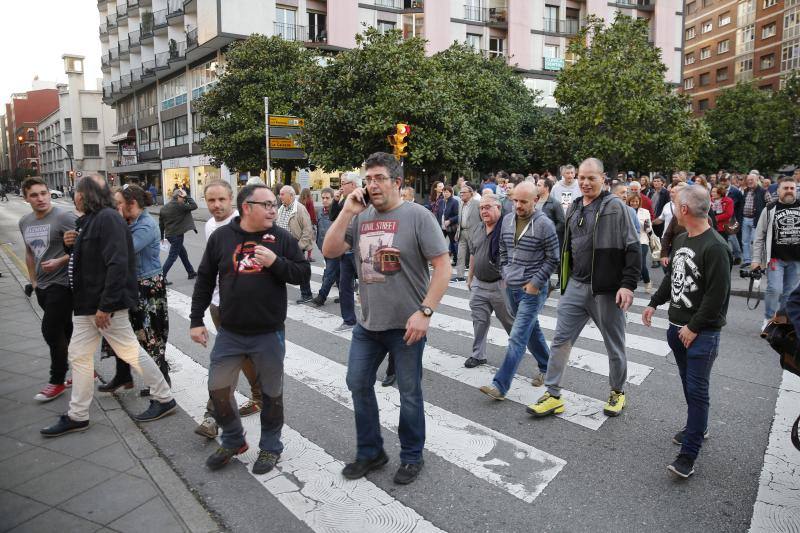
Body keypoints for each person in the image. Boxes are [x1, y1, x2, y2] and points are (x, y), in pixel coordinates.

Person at [322, 152, 450, 485]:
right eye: (368, 179)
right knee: (357, 383)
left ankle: (411, 456)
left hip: (407, 325)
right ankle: (371, 452)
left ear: (397, 182)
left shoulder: (418, 216)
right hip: (368, 324)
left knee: (409, 393)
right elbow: (330, 250)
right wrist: (348, 210)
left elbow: (443, 268)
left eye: (379, 178)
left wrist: (425, 312)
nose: (372, 184)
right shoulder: (360, 217)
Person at [41, 175, 176, 438]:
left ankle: (163, 396)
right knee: (80, 356)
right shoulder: (92, 220)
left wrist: (107, 304)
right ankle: (78, 414)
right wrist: (74, 241)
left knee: (131, 351)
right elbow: (92, 259)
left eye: (78, 192)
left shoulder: (108, 219)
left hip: (101, 306)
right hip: (87, 306)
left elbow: (117, 263)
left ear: (85, 195)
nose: (75, 196)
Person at [190, 183, 310, 473]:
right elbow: (205, 279)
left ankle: (270, 447)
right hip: (230, 331)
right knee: (218, 388)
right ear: (247, 208)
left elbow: (302, 273)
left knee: (271, 394)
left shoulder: (280, 238)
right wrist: (195, 320)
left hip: (268, 332)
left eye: (274, 204)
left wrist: (275, 262)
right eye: (266, 204)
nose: (273, 209)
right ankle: (233, 439)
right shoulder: (221, 237)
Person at [528, 158, 640, 418]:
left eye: (592, 178)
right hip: (576, 286)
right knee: (560, 341)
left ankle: (617, 391)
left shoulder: (615, 207)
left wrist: (628, 285)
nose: (586, 182)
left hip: (607, 290)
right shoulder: (575, 207)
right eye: (582, 177)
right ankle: (553, 394)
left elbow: (633, 247)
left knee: (614, 345)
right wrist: (562, 281)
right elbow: (568, 248)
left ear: (604, 180)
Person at [642, 186, 731, 479]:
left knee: (697, 391)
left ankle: (688, 455)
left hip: (701, 334)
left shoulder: (715, 247)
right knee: (688, 385)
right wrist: (654, 303)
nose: (673, 208)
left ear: (683, 211)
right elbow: (673, 278)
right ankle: (698, 426)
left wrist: (694, 327)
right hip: (676, 329)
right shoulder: (681, 239)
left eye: (676, 204)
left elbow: (717, 297)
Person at [194, 180, 263, 439]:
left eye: (221, 199)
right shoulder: (210, 226)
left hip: (242, 307)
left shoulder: (246, 224)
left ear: (232, 198)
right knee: (242, 357)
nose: (216, 205)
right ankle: (260, 395)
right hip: (218, 304)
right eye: (211, 200)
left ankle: (213, 416)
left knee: (225, 361)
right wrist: (197, 313)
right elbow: (210, 269)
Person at [478, 182, 559, 398]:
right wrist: (505, 272)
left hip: (533, 289)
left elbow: (554, 257)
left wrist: (535, 283)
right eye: (515, 200)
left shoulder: (544, 224)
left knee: (518, 336)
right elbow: (503, 248)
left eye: (523, 201)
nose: (518, 205)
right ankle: (548, 367)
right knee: (531, 330)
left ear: (535, 200)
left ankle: (500, 385)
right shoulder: (507, 220)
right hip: (511, 286)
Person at [99, 185, 171, 394]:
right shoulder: (129, 222)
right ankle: (123, 375)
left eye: (119, 203)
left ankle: (161, 379)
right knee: (124, 333)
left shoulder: (146, 225)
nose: (116, 207)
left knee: (149, 334)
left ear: (132, 204)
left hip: (147, 285)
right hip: (131, 284)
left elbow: (122, 250)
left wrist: (117, 222)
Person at [18, 177, 76, 401]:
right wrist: (33, 281)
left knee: (50, 331)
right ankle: (85, 369)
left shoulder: (63, 217)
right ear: (26, 198)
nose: (41, 198)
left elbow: (82, 246)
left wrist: (59, 262)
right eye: (34, 195)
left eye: (43, 193)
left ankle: (57, 380)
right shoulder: (24, 222)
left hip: (63, 284)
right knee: (65, 330)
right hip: (42, 286)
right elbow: (30, 253)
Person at [463, 193, 515, 368]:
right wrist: (470, 277)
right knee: (479, 320)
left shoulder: (507, 228)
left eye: (487, 207)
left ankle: (519, 347)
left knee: (509, 321)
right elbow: (473, 253)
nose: (483, 211)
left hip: (500, 284)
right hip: (479, 283)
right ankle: (478, 355)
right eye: (481, 208)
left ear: (498, 208)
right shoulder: (477, 228)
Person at [752, 176, 800, 331]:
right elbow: (759, 236)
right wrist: (755, 260)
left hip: (796, 260)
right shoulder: (769, 209)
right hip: (775, 259)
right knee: (775, 289)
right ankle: (768, 318)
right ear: (778, 190)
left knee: (790, 293)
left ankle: (782, 319)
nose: (789, 191)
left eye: (792, 188)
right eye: (785, 188)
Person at [330, 173, 360, 331]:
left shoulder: (363, 200)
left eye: (344, 183)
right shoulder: (344, 200)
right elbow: (332, 217)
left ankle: (374, 322)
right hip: (345, 251)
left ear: (354, 184)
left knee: (369, 286)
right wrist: (335, 200)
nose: (341, 187)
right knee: (344, 286)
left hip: (359, 250)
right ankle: (348, 320)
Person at [276, 185, 315, 303]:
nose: (280, 196)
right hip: (282, 246)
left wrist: (299, 246)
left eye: (282, 194)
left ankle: (307, 294)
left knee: (300, 270)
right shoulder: (282, 208)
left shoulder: (299, 209)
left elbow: (308, 229)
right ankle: (277, 294)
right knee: (279, 269)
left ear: (291, 195)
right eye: (280, 194)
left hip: (295, 246)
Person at [159, 188, 198, 285]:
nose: (184, 199)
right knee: (172, 257)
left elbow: (161, 224)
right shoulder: (180, 205)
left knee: (183, 254)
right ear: (178, 197)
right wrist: (187, 196)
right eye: (182, 197)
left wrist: (161, 237)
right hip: (177, 236)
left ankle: (191, 272)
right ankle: (162, 277)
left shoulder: (164, 208)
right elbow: (194, 206)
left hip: (169, 235)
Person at [312, 188, 340, 306]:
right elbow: (319, 230)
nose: (324, 200)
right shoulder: (319, 212)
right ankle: (343, 294)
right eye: (323, 198)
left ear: (333, 198)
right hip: (324, 247)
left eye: (327, 198)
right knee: (337, 273)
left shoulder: (338, 212)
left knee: (329, 272)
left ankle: (321, 296)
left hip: (335, 248)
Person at [454, 183, 481, 282]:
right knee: (460, 255)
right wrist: (458, 231)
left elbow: (482, 220)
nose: (461, 195)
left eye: (464, 193)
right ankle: (460, 276)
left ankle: (473, 276)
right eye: (460, 193)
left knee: (473, 256)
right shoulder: (460, 204)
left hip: (474, 233)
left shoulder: (477, 204)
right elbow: (460, 220)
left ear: (471, 193)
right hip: (462, 232)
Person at [741, 171, 767, 268]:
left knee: (755, 241)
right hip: (745, 219)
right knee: (745, 241)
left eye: (752, 180)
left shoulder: (763, 191)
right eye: (748, 180)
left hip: (756, 219)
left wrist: (765, 218)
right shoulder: (746, 191)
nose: (750, 182)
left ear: (757, 180)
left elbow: (770, 204)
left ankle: (756, 261)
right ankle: (747, 260)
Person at [627, 194, 653, 293]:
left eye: (636, 201)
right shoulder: (625, 210)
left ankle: (647, 282)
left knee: (641, 263)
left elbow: (648, 229)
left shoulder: (645, 212)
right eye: (632, 201)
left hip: (642, 240)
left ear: (639, 202)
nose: (634, 203)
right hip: (628, 240)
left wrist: (639, 222)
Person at [536, 177, 566, 245]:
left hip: (549, 241)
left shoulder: (555, 203)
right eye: (536, 184)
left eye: (539, 185)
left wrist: (550, 232)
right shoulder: (534, 201)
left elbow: (562, 222)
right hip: (536, 239)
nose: (536, 187)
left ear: (546, 188)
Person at [441, 185, 460, 266]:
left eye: (447, 192)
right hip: (441, 225)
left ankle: (455, 260)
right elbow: (439, 213)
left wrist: (450, 220)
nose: (445, 193)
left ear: (451, 193)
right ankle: (440, 260)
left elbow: (458, 215)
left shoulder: (454, 202)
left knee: (453, 243)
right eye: (444, 192)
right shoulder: (441, 201)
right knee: (439, 242)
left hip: (451, 226)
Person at [299, 188, 318, 261]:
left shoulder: (299, 201)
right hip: (308, 222)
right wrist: (314, 221)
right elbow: (311, 212)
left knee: (302, 237)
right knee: (309, 239)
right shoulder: (309, 201)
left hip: (300, 221)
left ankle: (301, 255)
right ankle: (309, 257)